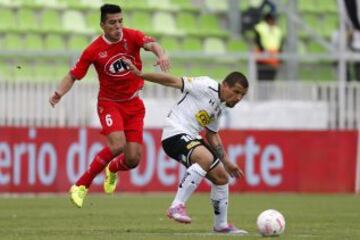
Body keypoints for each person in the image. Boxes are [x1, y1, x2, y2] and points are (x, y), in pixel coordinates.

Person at [106, 58, 249, 234]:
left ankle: (221, 225)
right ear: (225, 85)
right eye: (236, 92)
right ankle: (176, 206)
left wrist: (227, 162)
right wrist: (141, 74)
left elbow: (212, 134)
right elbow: (173, 81)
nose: (238, 98)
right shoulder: (206, 85)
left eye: (242, 95)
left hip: (190, 137)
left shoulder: (219, 106)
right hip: (175, 133)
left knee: (221, 178)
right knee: (205, 158)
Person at [49, 4, 170, 208]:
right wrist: (58, 93)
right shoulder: (94, 50)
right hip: (110, 104)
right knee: (117, 145)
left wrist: (162, 54)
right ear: (103, 25)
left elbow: (153, 45)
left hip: (134, 104)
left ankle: (112, 169)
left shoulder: (132, 36)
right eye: (112, 23)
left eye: (120, 21)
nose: (118, 26)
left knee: (133, 160)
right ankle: (80, 186)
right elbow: (73, 75)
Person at [253, 13, 283, 81]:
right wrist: (264, 52)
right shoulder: (260, 28)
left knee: (271, 79)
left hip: (274, 58)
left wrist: (280, 59)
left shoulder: (277, 30)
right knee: (262, 79)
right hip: (263, 58)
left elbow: (280, 45)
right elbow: (258, 41)